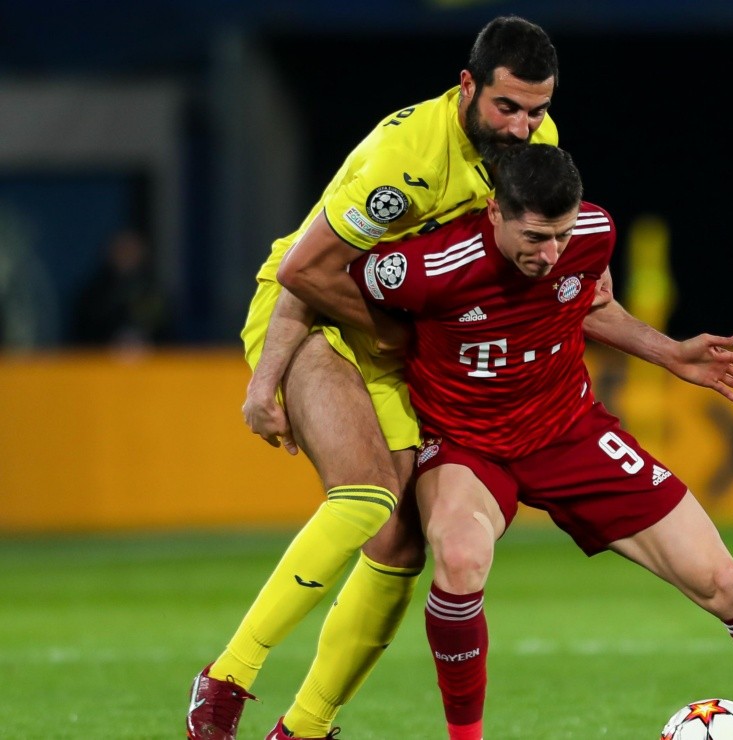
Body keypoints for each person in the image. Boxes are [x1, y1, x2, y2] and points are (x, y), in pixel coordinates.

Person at [347, 143, 733, 740]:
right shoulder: (422, 268)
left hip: (568, 430)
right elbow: (318, 286)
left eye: (560, 235)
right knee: (459, 557)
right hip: (466, 443)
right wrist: (294, 388)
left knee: (726, 583)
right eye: (533, 238)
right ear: (495, 213)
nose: (550, 254)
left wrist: (669, 353)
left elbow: (585, 305)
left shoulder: (594, 233)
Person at [187, 16, 560, 740]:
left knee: (400, 545)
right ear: (468, 86)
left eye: (536, 111)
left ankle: (305, 727)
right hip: (312, 317)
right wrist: (264, 384)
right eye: (506, 106)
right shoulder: (408, 158)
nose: (521, 128)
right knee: (364, 497)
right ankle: (227, 678)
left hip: (388, 337)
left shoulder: (533, 149)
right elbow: (304, 271)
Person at [72, 228, 172, 348]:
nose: (126, 254)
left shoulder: (156, 292)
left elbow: (169, 336)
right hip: (101, 362)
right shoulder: (94, 294)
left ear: (143, 252)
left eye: (131, 249)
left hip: (153, 364)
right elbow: (83, 337)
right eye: (121, 248)